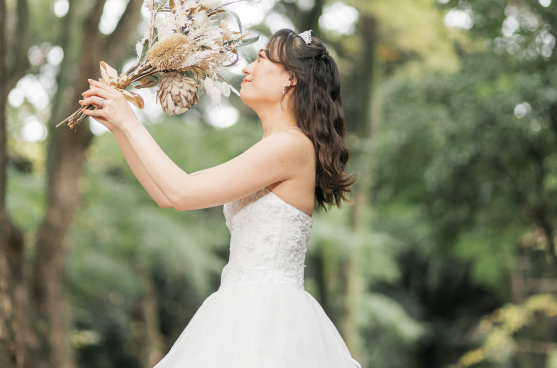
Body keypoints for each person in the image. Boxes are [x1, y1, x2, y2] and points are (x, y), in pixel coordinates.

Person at [80, 27, 362, 368]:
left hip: (264, 317)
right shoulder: (274, 148)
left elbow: (181, 191)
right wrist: (118, 125)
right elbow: (166, 194)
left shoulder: (291, 145)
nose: (246, 68)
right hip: (240, 306)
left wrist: (130, 121)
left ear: (291, 79)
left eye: (260, 59)